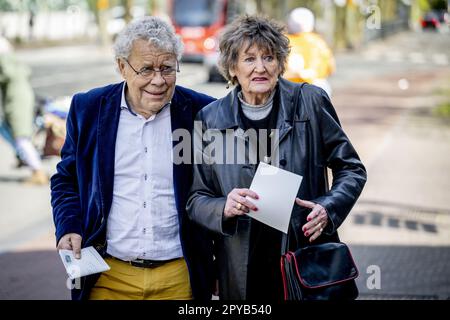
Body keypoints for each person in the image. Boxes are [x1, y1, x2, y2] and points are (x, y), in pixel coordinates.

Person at [186, 15, 367, 300]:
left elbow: (351, 168)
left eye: (269, 57)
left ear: (281, 63)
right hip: (240, 268)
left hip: (304, 260)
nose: (260, 67)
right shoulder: (209, 119)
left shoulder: (310, 102)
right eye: (249, 59)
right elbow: (196, 198)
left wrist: (328, 208)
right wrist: (223, 207)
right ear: (232, 67)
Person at [51, 16, 215, 300]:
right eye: (147, 69)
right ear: (122, 67)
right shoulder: (88, 109)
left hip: (180, 277)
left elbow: (220, 187)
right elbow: (66, 179)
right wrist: (68, 226)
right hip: (106, 275)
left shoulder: (202, 112)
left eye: (167, 68)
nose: (158, 80)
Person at [0, 35, 48, 185]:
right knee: (11, 132)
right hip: (22, 97)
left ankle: (38, 172)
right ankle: (27, 161)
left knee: (21, 138)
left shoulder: (5, 60)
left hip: (16, 101)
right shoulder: (14, 60)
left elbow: (8, 75)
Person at [284, 7, 335, 97]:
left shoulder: (282, 42)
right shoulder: (319, 43)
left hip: (287, 89)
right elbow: (330, 69)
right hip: (314, 88)